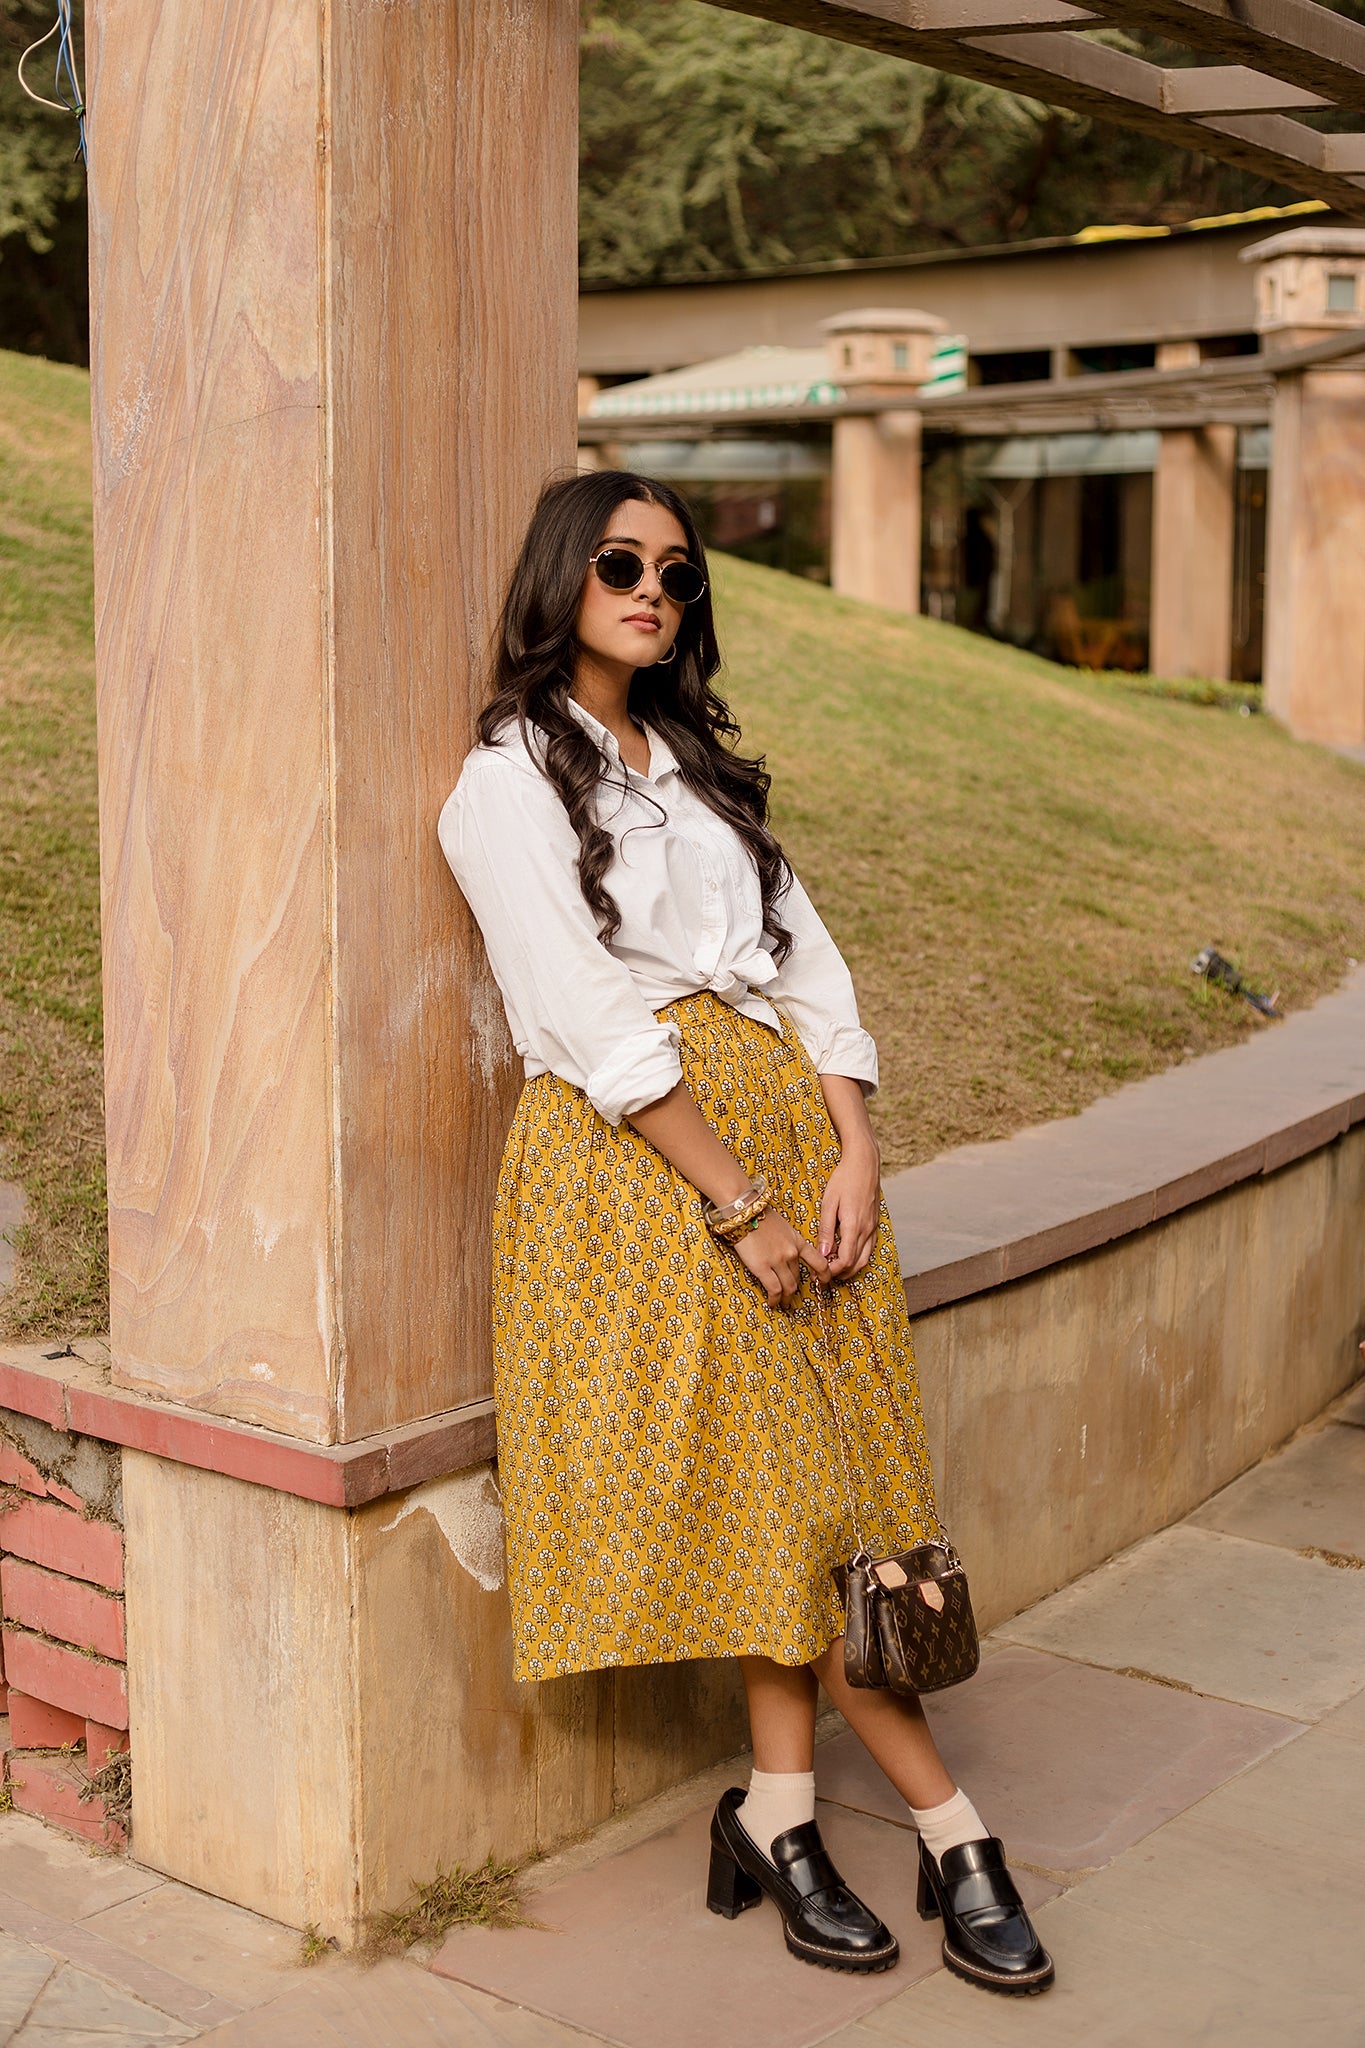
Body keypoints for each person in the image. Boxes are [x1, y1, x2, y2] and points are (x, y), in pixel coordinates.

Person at [438, 469, 1052, 1995]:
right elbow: (584, 1015)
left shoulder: (696, 768)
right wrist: (735, 1197)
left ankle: (775, 1815)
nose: (651, 591)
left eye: (676, 573)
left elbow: (811, 965)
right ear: (561, 581)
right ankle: (951, 1828)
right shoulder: (504, 781)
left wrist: (852, 1152)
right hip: (647, 1176)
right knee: (802, 1509)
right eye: (620, 565)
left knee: (841, 1495)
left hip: (794, 1151)